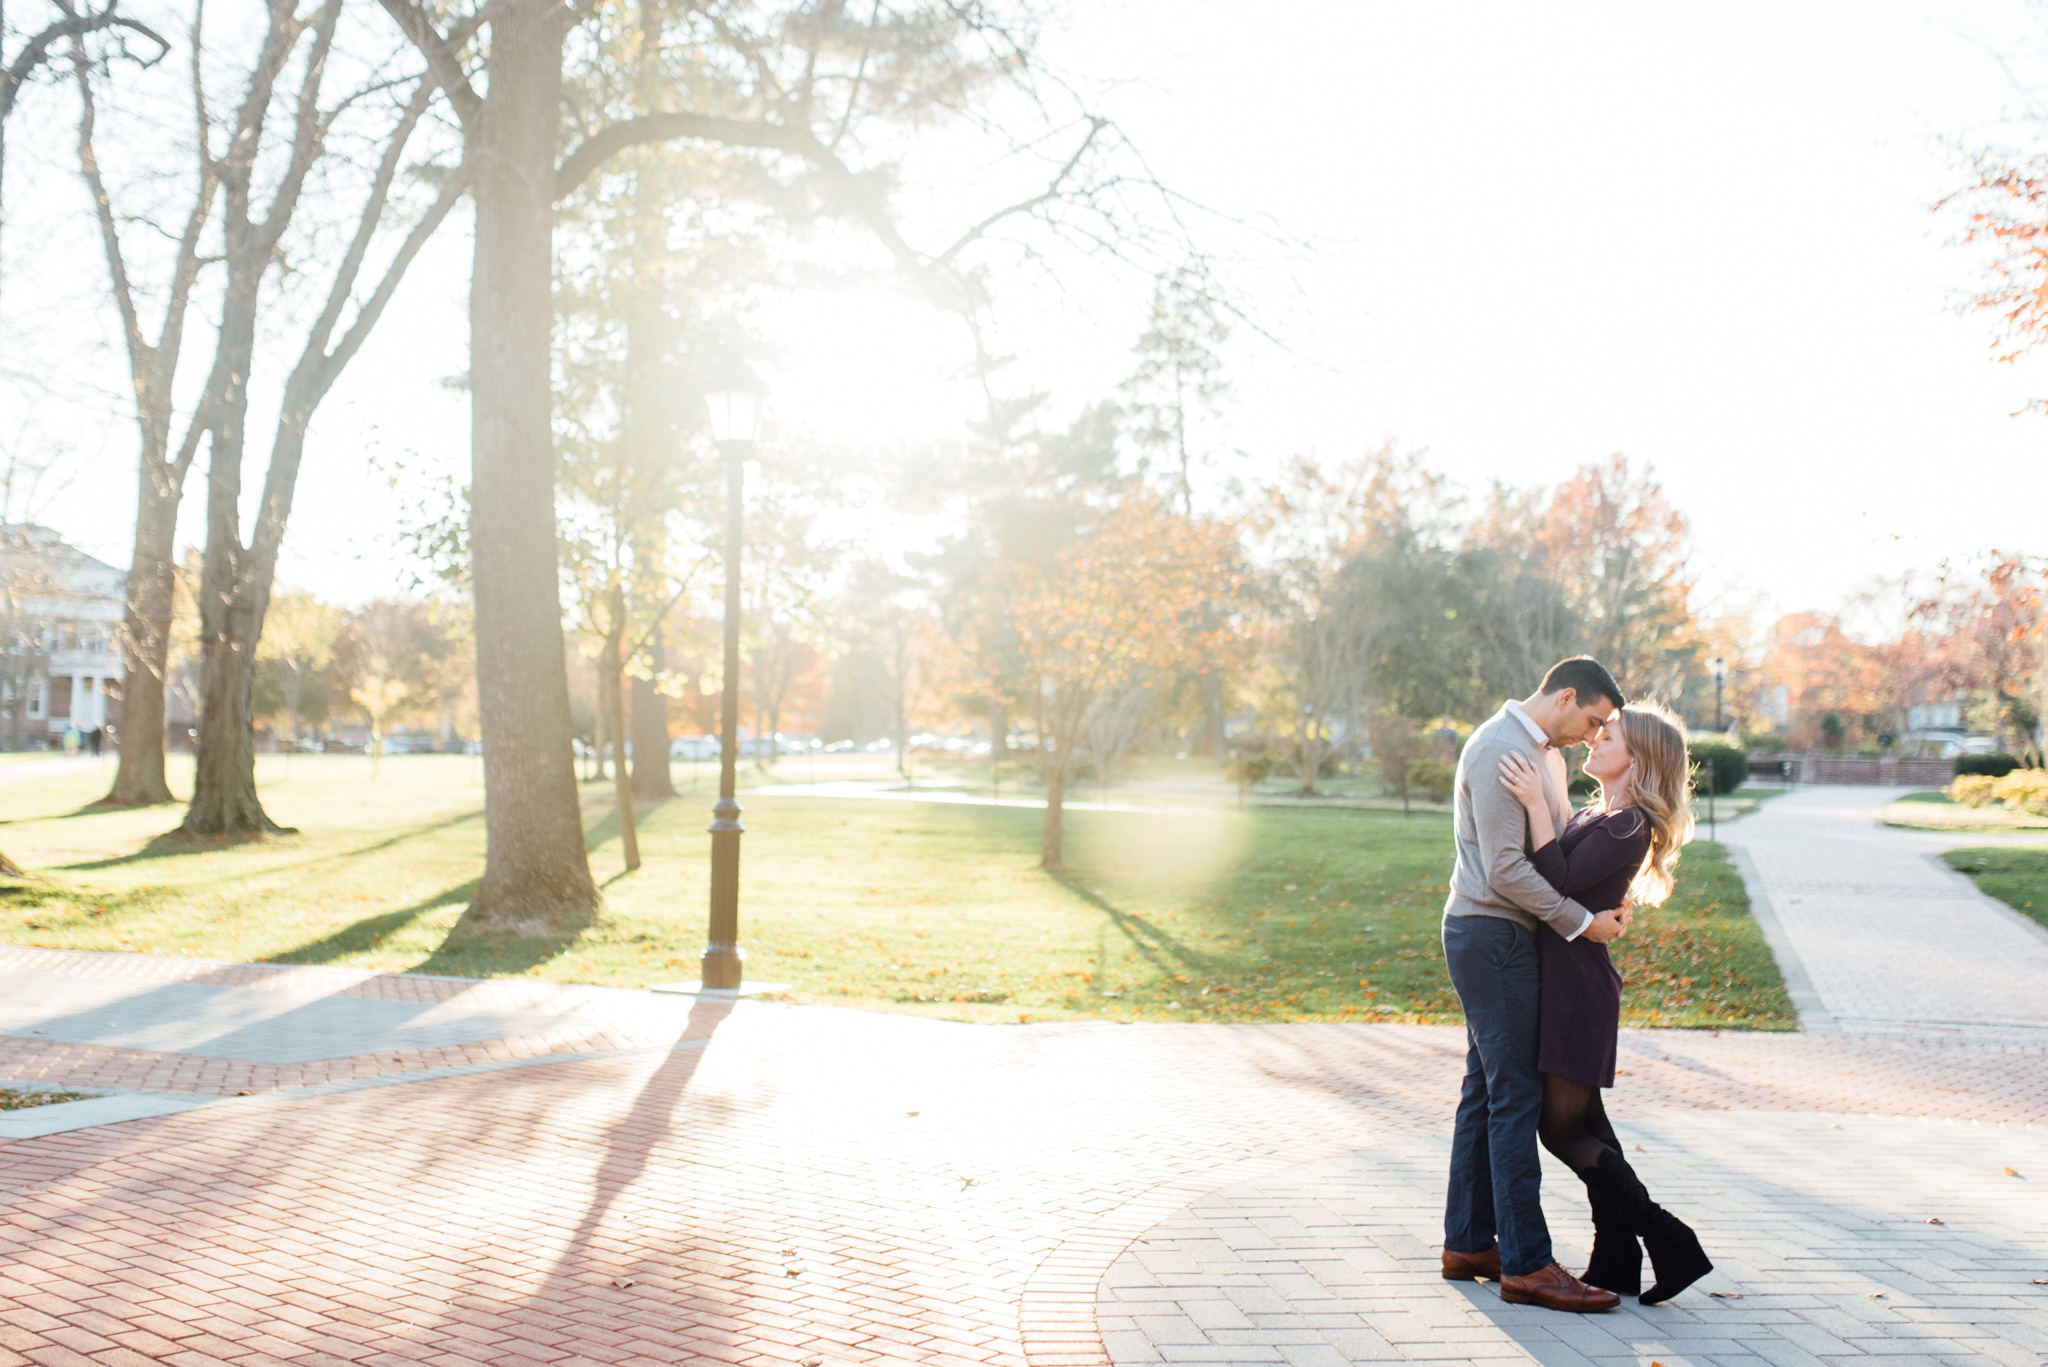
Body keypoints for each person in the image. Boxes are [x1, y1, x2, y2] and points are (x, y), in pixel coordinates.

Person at [1498, 701, 1713, 1305]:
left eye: (1607, 735)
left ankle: (1671, 1240)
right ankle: (1616, 1258)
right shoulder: (1605, 814)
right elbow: (1570, 879)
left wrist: (1538, 804)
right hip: (1572, 982)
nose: (1594, 739)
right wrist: (1554, 800)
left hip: (1576, 993)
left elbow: (1557, 878)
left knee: (1560, 1130)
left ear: (1637, 757)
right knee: (1591, 1127)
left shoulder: (1630, 823)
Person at [1439, 657, 1631, 1313]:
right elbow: (1505, 872)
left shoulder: (1540, 751)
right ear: (1568, 695)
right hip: (1489, 934)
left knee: (1486, 1087)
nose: (1594, 734)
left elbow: (1560, 851)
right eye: (1594, 719)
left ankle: (1468, 1242)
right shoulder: (1501, 747)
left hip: (1505, 937)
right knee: (1516, 1094)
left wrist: (1604, 900)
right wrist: (1582, 923)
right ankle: (1526, 1263)